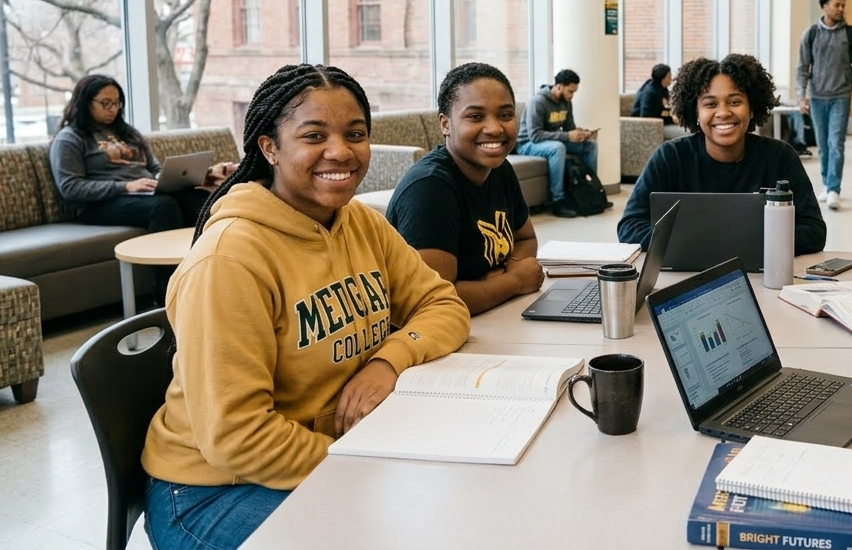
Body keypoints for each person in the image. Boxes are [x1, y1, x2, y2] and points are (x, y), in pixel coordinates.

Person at [141, 64, 470, 550]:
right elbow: (239, 436)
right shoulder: (228, 261)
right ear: (268, 147)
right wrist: (368, 462)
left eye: (355, 134)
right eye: (314, 135)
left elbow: (442, 303)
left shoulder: (359, 221)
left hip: (327, 452)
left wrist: (387, 361)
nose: (340, 151)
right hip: (213, 490)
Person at [618, 53, 826, 253]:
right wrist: (700, 242)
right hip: (684, 279)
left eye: (735, 102)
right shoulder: (670, 157)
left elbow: (814, 231)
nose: (724, 112)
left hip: (764, 277)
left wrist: (743, 240)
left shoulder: (780, 157)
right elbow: (629, 227)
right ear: (696, 112)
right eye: (710, 104)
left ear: (752, 108)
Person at [386, 62, 546, 315]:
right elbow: (437, 298)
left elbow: (525, 238)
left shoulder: (499, 168)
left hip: (492, 316)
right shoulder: (430, 189)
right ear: (445, 124)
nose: (494, 128)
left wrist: (499, 278)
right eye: (475, 116)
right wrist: (513, 282)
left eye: (505, 115)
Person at [49, 74, 237, 232]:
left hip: (144, 194)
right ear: (85, 103)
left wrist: (181, 179)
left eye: (116, 103)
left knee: (199, 199)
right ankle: (167, 275)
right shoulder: (70, 138)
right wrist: (125, 187)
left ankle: (211, 262)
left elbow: (154, 169)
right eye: (105, 103)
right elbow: (71, 188)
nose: (113, 109)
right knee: (164, 206)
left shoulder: (128, 133)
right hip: (100, 204)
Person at [796, 0, 852, 211]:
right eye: (837, 5)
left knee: (836, 143)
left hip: (841, 96)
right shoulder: (811, 34)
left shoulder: (850, 34)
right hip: (817, 97)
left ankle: (834, 188)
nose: (840, 9)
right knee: (823, 146)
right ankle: (827, 184)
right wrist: (801, 95)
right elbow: (802, 68)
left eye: (843, 5)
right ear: (824, 6)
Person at [517, 68, 600, 218]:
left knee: (590, 146)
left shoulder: (566, 103)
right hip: (527, 144)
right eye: (570, 91)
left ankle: (591, 191)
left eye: (574, 92)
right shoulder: (538, 102)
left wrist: (582, 134)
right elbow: (535, 135)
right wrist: (568, 136)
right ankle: (558, 201)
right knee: (558, 148)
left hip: (551, 141)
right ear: (559, 87)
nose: (572, 96)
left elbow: (569, 129)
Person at [630, 63, 688, 140]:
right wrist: (671, 120)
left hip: (664, 123)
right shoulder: (650, 92)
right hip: (653, 127)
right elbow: (648, 117)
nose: (671, 79)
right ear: (662, 79)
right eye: (668, 77)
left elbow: (669, 106)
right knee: (689, 134)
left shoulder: (662, 89)